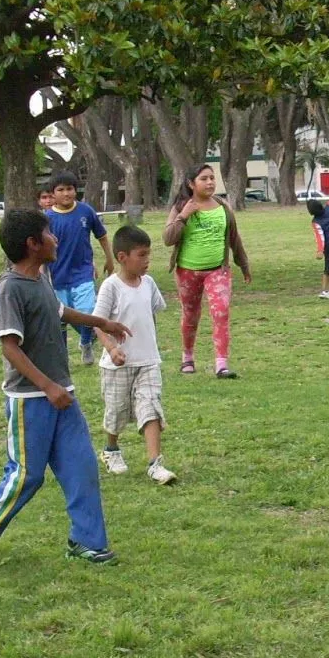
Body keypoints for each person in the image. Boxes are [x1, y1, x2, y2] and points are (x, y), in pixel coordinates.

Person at [0, 209, 130, 566]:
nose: (56, 239)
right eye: (49, 233)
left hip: (62, 395)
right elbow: (10, 347)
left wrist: (101, 322)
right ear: (32, 244)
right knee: (27, 475)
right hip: (31, 399)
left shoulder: (41, 277)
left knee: (81, 467)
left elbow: (60, 311)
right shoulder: (10, 288)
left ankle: (86, 541)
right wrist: (48, 386)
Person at [93, 225, 177, 485]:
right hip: (118, 365)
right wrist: (112, 348)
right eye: (141, 255)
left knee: (151, 407)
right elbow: (98, 323)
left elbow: (151, 314)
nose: (147, 260)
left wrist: (150, 346)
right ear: (122, 257)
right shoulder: (111, 287)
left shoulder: (149, 284)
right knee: (116, 412)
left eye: (148, 254)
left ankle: (155, 463)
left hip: (148, 362)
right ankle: (111, 450)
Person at [163, 163, 251, 379]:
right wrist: (183, 215)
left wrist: (243, 264)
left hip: (218, 271)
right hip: (187, 272)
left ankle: (221, 365)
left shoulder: (223, 207)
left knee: (221, 312)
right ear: (191, 184)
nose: (210, 182)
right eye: (204, 179)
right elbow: (168, 239)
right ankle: (187, 358)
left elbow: (234, 239)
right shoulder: (181, 207)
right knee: (190, 315)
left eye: (212, 178)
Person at [45, 172, 116, 366]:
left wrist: (109, 260)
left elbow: (102, 236)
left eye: (69, 189)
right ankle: (63, 356)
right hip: (58, 276)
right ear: (53, 194)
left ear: (76, 190)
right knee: (61, 318)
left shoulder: (86, 211)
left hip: (83, 273)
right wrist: (42, 273)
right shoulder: (47, 218)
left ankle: (86, 342)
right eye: (61, 190)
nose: (66, 193)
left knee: (88, 312)